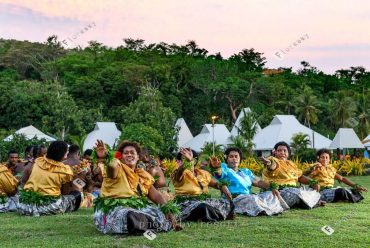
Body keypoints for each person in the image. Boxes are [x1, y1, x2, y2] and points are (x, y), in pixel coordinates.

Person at [93, 140, 181, 234]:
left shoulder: (142, 175)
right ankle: (148, 227)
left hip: (137, 209)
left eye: (132, 153)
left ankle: (144, 226)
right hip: (116, 209)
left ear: (138, 157)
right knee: (129, 215)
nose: (129, 155)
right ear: (121, 157)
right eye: (126, 153)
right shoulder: (117, 167)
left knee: (165, 214)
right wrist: (106, 157)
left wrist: (167, 210)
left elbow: (155, 195)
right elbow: (112, 168)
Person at [209, 147, 286, 216]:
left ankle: (266, 209)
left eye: (236, 156)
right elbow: (219, 173)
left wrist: (271, 187)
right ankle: (265, 209)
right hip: (235, 199)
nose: (234, 159)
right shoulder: (224, 168)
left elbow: (258, 182)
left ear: (240, 159)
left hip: (248, 197)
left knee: (270, 194)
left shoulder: (246, 171)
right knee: (252, 199)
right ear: (227, 159)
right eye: (231, 157)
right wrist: (216, 167)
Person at [17, 141, 81, 216]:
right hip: (47, 207)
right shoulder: (65, 170)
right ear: (63, 154)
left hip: (24, 205)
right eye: (66, 151)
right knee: (78, 194)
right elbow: (66, 191)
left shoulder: (38, 161)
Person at [172, 147, 235, 222]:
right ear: (178, 162)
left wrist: (222, 186)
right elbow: (179, 173)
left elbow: (216, 184)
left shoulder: (202, 173)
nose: (189, 160)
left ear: (195, 161)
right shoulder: (177, 173)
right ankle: (217, 215)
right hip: (186, 204)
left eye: (189, 158)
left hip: (204, 201)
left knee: (229, 203)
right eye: (184, 159)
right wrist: (187, 161)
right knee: (202, 207)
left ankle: (213, 214)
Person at [260, 141, 321, 209]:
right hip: (279, 192)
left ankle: (305, 201)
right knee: (298, 193)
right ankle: (309, 202)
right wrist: (268, 163)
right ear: (275, 152)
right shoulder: (274, 160)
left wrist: (313, 182)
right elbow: (272, 166)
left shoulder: (291, 164)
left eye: (284, 150)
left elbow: (299, 177)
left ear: (288, 153)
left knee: (306, 191)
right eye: (279, 150)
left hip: (292, 190)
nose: (282, 152)